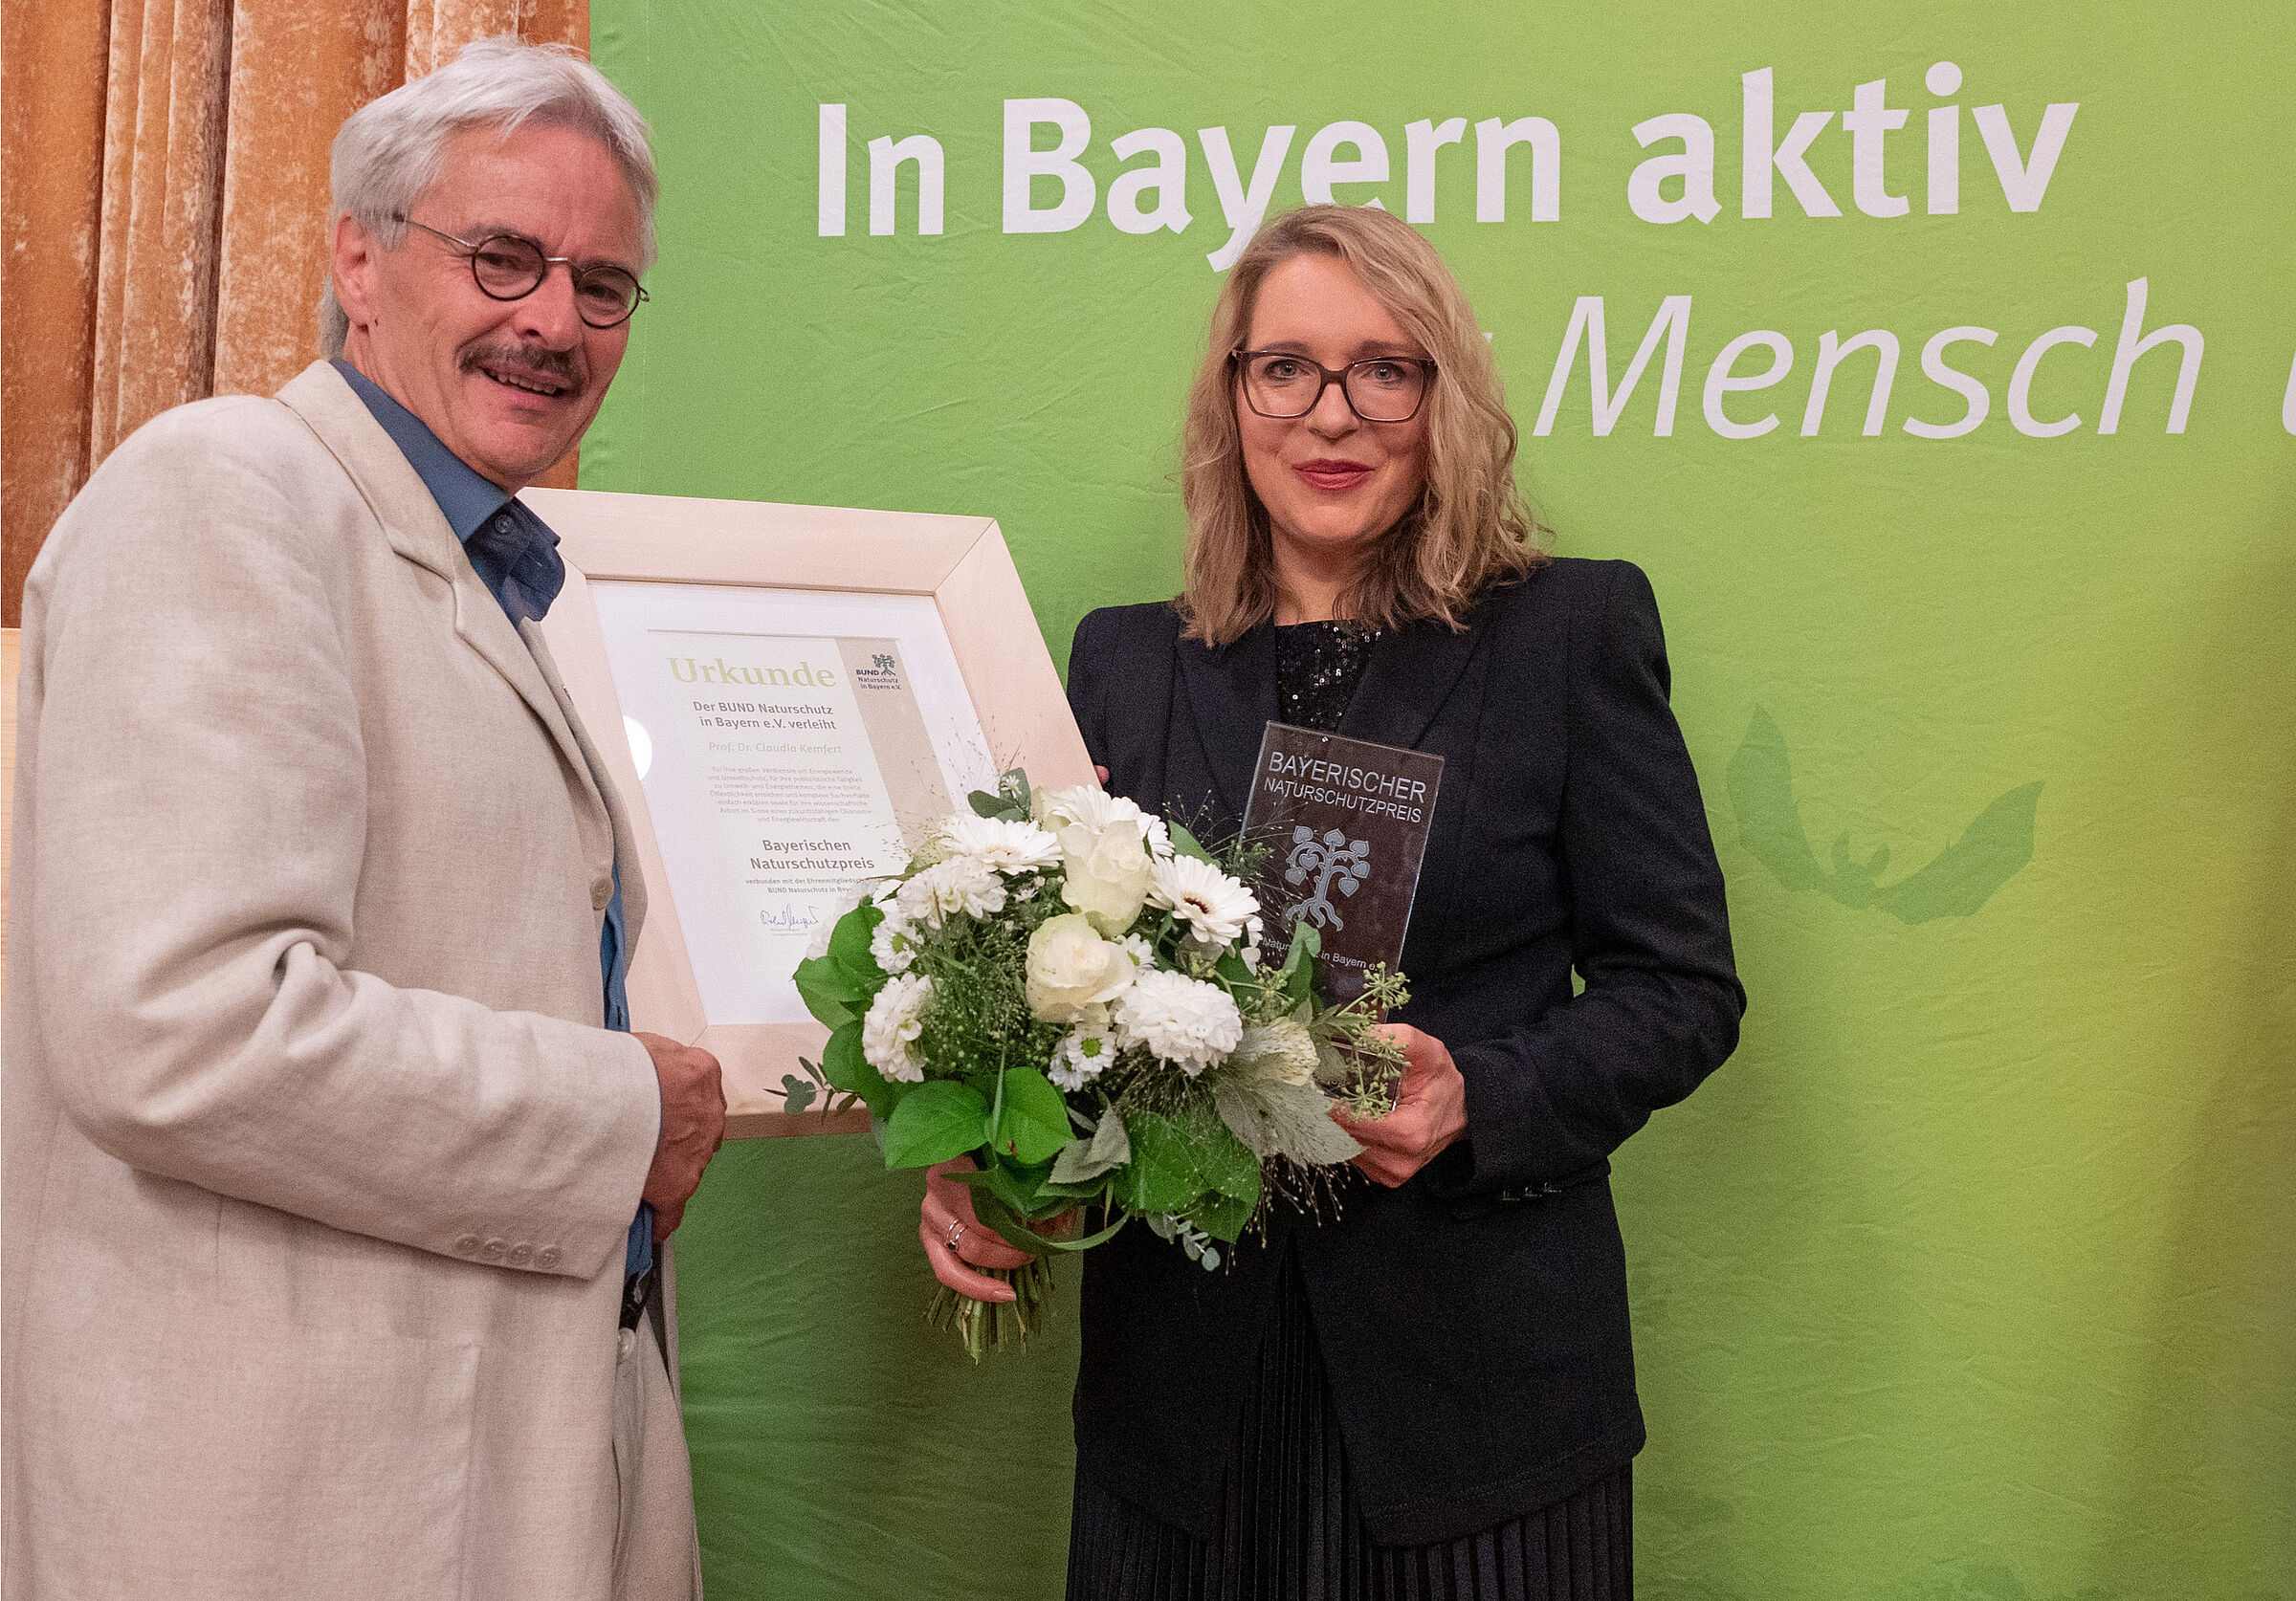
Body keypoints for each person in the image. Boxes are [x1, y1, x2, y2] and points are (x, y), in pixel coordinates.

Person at [922, 204, 1746, 1599]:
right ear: (1233, 396)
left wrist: (1478, 1094)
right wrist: (988, 1168)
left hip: (1477, 1412)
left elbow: (1685, 988)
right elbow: (1059, 992)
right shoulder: (1123, 663)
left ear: (1445, 397)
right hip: (1180, 1415)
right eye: (1285, 367)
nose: (1332, 413)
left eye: (1385, 368)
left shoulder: (1567, 635)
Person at [1, 39, 723, 1601]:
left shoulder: (477, 564)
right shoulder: (225, 489)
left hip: (463, 1459)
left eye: (602, 286)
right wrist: (622, 1116)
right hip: (289, 1506)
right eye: (504, 257)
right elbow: (183, 1025)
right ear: (359, 257)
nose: (552, 322)